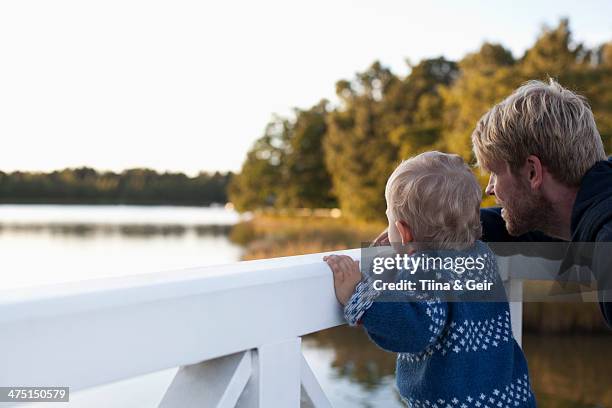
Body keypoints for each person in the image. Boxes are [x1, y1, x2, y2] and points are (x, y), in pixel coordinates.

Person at [374, 79, 612, 327]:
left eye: (495, 173)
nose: (489, 188)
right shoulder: (591, 213)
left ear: (532, 173)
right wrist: (426, 225)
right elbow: (516, 229)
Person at [324, 151, 536, 407]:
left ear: (403, 232)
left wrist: (360, 294)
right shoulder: (480, 254)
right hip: (510, 397)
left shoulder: (425, 269)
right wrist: (406, 250)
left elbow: (412, 327)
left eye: (389, 220)